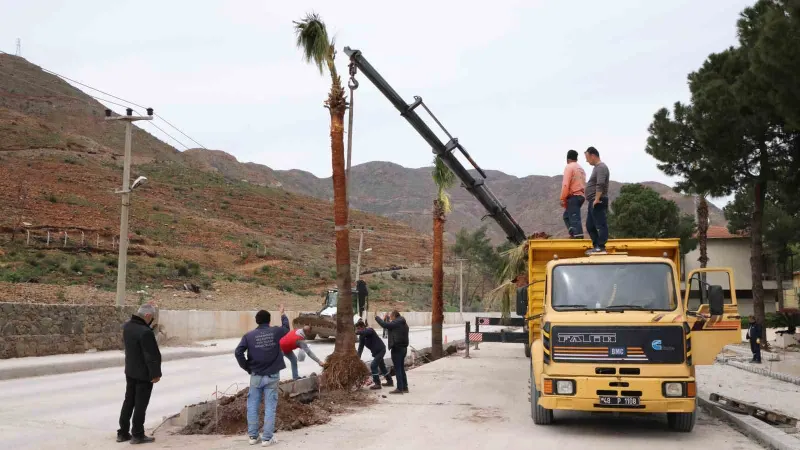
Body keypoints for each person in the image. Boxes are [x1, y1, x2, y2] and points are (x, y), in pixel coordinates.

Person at [235, 304, 290, 446]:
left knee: (252, 405)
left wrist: (247, 367)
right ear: (269, 320)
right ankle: (267, 438)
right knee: (270, 406)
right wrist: (283, 314)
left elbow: (238, 352)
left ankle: (253, 437)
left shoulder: (248, 336)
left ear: (256, 321)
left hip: (256, 375)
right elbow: (286, 328)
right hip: (272, 376)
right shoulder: (275, 332)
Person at [117, 303, 162, 445]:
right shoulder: (145, 332)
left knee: (128, 401)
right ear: (147, 315)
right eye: (152, 318)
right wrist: (155, 374)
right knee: (140, 404)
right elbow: (151, 355)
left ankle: (123, 433)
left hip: (130, 371)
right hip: (143, 374)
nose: (152, 320)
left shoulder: (127, 326)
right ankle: (137, 434)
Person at [375, 310, 409, 394]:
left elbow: (385, 325)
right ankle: (405, 387)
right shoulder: (402, 322)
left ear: (394, 315)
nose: (390, 318)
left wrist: (377, 317)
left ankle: (399, 388)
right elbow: (389, 325)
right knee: (401, 368)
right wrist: (386, 318)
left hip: (397, 348)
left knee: (397, 369)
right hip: (403, 348)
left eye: (391, 316)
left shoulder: (397, 322)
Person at [584, 146, 610, 254]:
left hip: (598, 200)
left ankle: (601, 246)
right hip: (593, 201)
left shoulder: (601, 167)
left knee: (600, 224)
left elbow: (600, 184)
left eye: (587, 157)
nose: (586, 160)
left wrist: (597, 199)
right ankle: (596, 246)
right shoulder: (596, 168)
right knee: (590, 225)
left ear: (593, 155)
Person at [356, 318, 391, 390]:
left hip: (381, 350)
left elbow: (366, 332)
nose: (358, 330)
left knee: (373, 365)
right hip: (375, 352)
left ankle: (377, 384)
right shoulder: (362, 337)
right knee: (382, 366)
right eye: (357, 329)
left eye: (359, 328)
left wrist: (357, 332)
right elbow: (360, 349)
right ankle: (390, 381)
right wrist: (357, 358)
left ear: (363, 327)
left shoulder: (370, 330)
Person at [560, 149, 586, 239]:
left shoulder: (569, 167)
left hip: (574, 196)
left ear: (567, 159)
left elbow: (566, 184)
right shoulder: (581, 169)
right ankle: (573, 234)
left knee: (575, 219)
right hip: (581, 196)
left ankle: (578, 239)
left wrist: (563, 199)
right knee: (566, 216)